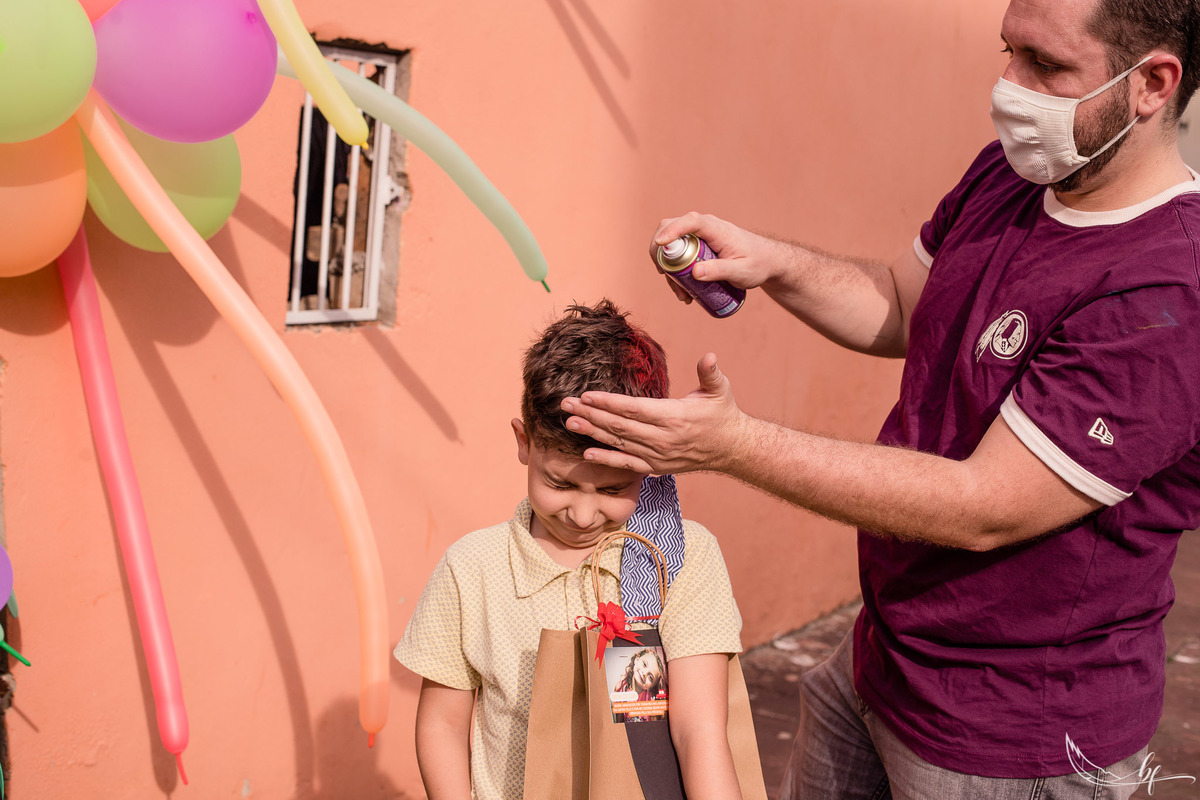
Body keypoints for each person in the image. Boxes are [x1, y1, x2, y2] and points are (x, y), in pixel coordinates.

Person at [559, 1, 1200, 797]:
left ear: (1154, 84)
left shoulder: (1166, 292)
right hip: (882, 662)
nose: (1009, 86)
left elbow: (985, 506)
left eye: (1046, 65)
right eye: (1009, 51)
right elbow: (902, 303)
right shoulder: (1013, 174)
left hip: (1011, 736)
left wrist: (733, 445)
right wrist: (773, 262)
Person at [394, 299, 747, 800]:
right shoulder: (471, 569)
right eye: (559, 483)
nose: (583, 516)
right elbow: (443, 728)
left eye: (611, 490)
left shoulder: (679, 560)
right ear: (524, 442)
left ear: (650, 463)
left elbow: (700, 732)